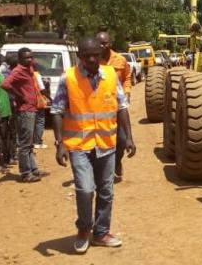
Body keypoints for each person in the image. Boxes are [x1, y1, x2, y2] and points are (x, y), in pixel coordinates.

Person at [51, 37, 136, 254]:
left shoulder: (109, 75)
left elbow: (121, 107)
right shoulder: (68, 78)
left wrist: (129, 138)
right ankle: (83, 229)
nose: (91, 59)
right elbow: (57, 111)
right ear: (79, 56)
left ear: (101, 54)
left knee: (106, 191)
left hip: (106, 144)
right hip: (79, 145)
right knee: (85, 189)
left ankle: (101, 232)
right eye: (86, 55)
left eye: (95, 55)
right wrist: (60, 143)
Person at [1, 48, 46, 183]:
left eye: (31, 57)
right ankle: (26, 172)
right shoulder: (18, 70)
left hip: (32, 108)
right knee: (25, 144)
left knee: (29, 143)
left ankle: (33, 169)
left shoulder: (29, 69)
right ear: (20, 59)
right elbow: (5, 84)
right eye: (27, 58)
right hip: (25, 110)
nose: (30, 60)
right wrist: (19, 95)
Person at [96, 32, 132, 183]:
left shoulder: (120, 60)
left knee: (122, 139)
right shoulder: (93, 60)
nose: (102, 46)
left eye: (105, 43)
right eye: (99, 43)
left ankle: (117, 161)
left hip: (117, 106)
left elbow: (127, 78)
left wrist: (127, 91)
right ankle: (103, 170)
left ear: (110, 44)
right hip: (99, 109)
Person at [32, 70, 48, 149]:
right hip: (39, 101)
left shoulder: (25, 73)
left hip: (29, 101)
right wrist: (49, 98)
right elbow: (42, 88)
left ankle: (31, 141)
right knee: (39, 121)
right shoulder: (36, 74)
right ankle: (37, 142)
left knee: (32, 122)